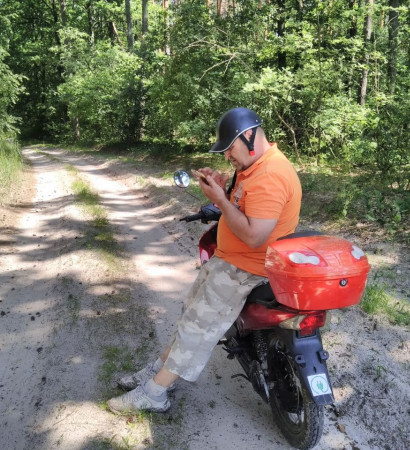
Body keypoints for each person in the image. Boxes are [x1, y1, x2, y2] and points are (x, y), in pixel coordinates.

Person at [107, 107, 302, 414]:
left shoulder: (271, 175)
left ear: (248, 136)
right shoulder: (255, 167)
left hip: (244, 270)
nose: (227, 156)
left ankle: (155, 393)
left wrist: (220, 201)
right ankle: (156, 372)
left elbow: (255, 236)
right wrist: (223, 192)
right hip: (229, 262)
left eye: (229, 148)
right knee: (190, 319)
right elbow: (244, 210)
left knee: (198, 329)